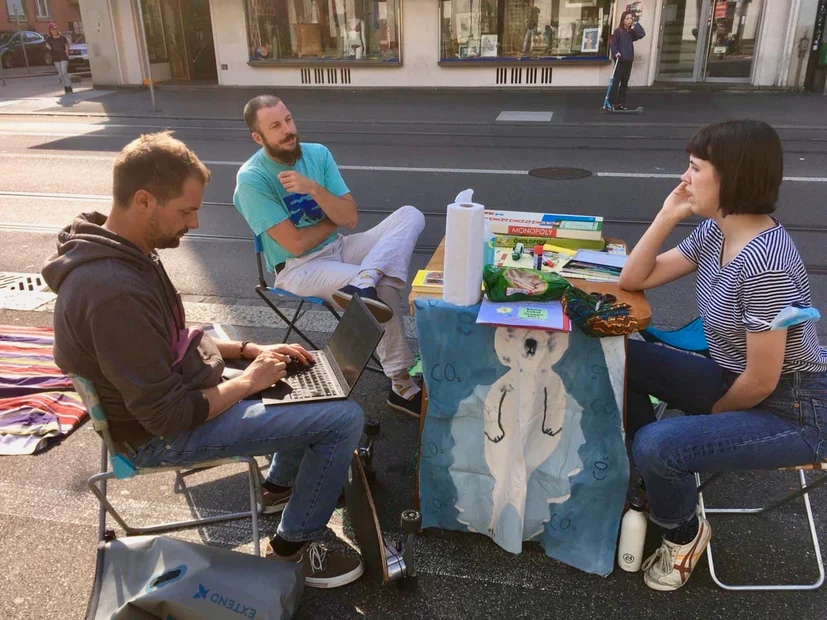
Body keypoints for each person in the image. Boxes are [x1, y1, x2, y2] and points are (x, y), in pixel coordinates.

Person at [42, 132, 367, 589]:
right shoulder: (111, 291)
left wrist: (248, 352)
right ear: (143, 201)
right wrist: (251, 380)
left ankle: (278, 488)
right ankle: (296, 545)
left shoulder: (122, 250)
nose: (195, 223)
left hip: (184, 391)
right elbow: (167, 416)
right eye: (186, 210)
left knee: (302, 376)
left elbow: (172, 338)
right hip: (160, 435)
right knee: (342, 418)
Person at [619, 120, 827, 591]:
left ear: (730, 177)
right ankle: (657, 484)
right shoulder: (717, 233)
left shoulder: (765, 264)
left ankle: (684, 532)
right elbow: (634, 279)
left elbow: (761, 383)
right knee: (622, 359)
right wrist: (668, 214)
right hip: (737, 378)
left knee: (660, 444)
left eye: (694, 168)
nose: (684, 178)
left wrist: (696, 426)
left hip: (796, 411)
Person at [233, 95, 426, 419]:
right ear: (258, 137)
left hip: (339, 249)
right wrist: (332, 218)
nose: (288, 130)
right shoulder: (252, 179)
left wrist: (313, 189)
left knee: (410, 214)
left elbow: (350, 216)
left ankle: (365, 279)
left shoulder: (317, 155)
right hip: (299, 269)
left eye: (289, 120)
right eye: (276, 126)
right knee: (383, 288)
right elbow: (295, 244)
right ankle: (401, 384)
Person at [608, 10, 645, 111]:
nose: (629, 20)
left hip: (628, 60)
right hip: (620, 60)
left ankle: (621, 103)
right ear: (623, 20)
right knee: (616, 82)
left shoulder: (631, 33)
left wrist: (636, 23)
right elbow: (613, 45)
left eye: (630, 18)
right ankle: (611, 103)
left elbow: (642, 34)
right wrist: (616, 53)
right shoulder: (618, 31)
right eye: (627, 19)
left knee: (624, 83)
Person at [44, 23, 72, 94]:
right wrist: (48, 47)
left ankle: (69, 86)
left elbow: (67, 44)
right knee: (60, 74)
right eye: (53, 29)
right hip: (55, 57)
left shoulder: (62, 37)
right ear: (50, 30)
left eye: (56, 29)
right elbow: (46, 45)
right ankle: (65, 86)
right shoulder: (49, 38)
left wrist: (67, 50)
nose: (55, 30)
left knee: (64, 72)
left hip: (63, 56)